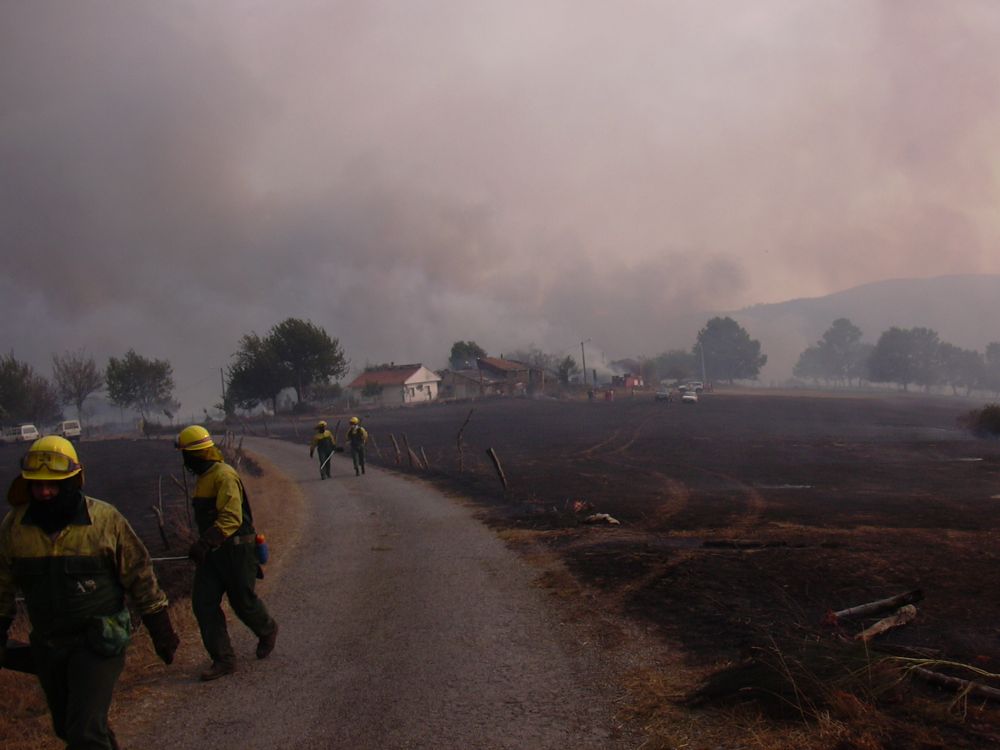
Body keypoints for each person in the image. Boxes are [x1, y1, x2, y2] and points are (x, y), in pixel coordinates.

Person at [0, 435, 179, 749]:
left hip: (98, 642)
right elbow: (2, 584)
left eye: (53, 485)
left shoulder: (104, 521)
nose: (44, 492)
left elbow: (139, 573)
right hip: (48, 646)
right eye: (37, 485)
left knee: (84, 732)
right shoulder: (14, 527)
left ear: (72, 482)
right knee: (69, 727)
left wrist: (160, 628)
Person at [175, 425, 277, 681]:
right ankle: (223, 659)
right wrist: (204, 545)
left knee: (242, 601)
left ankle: (267, 629)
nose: (184, 460)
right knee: (203, 603)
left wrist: (205, 543)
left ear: (196, 455)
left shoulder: (224, 475)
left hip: (237, 549)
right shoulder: (204, 478)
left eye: (185, 454)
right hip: (213, 553)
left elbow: (231, 517)